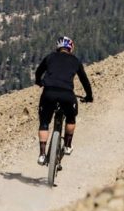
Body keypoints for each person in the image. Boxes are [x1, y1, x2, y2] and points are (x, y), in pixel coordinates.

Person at [34, 35, 93, 165]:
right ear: (70, 48)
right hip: (67, 94)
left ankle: (42, 154)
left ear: (58, 47)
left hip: (49, 93)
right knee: (71, 118)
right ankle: (67, 145)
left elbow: (38, 72)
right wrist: (89, 96)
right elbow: (84, 81)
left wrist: (39, 82)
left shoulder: (50, 57)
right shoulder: (75, 61)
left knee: (44, 122)